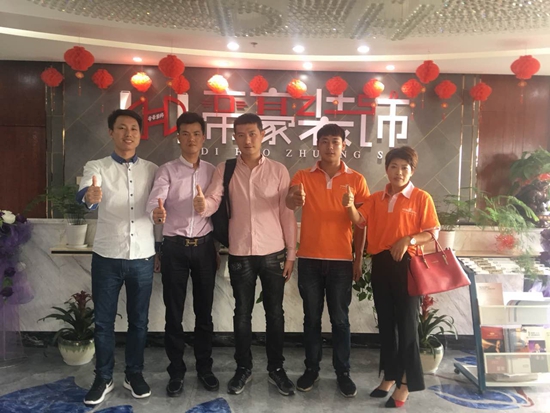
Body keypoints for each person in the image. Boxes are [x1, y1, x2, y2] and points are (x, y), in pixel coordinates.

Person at [193, 113, 297, 396]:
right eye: (241, 135)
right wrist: (202, 205)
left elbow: (287, 214)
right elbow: (213, 199)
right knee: (242, 313)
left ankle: (276, 369)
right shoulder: (225, 169)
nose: (247, 140)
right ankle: (243, 368)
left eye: (252, 133)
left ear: (262, 134)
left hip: (273, 253)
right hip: (240, 253)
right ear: (235, 138)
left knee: (275, 313)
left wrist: (291, 254)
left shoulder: (278, 170)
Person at [343, 146, 440, 408]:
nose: (399, 172)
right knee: (386, 324)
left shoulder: (421, 198)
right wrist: (350, 206)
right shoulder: (377, 198)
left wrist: (408, 239)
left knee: (407, 326)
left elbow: (432, 232)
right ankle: (390, 375)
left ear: (412, 171)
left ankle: (405, 383)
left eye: (404, 168)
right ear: (386, 169)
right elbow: (359, 221)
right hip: (381, 264)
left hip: (407, 264)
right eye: (394, 167)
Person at [77, 109, 158, 406]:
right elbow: (86, 193)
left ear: (140, 134)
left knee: (139, 322)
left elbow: (159, 205)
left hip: (143, 257)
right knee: (103, 322)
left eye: (134, 128)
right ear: (111, 132)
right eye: (122, 128)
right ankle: (104, 377)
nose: (128, 133)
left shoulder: (152, 169)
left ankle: (133, 374)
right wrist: (90, 198)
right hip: (107, 256)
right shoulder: (96, 166)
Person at [285, 123, 370, 397]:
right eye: (324, 141)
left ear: (344, 145)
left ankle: (343, 372)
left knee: (340, 320)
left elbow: (362, 223)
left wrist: (358, 258)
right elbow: (289, 203)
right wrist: (293, 197)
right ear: (317, 145)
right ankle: (311, 369)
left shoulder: (357, 179)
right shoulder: (302, 175)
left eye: (335, 141)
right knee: (311, 318)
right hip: (309, 259)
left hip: (341, 262)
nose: (330, 146)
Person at [146, 112, 219, 397]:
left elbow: (217, 204)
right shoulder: (167, 170)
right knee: (173, 313)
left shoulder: (213, 171)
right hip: (174, 247)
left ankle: (204, 368)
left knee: (204, 312)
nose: (191, 139)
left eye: (196, 133)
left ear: (203, 137)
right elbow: (156, 199)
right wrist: (156, 211)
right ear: (178, 137)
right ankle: (176, 371)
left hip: (204, 247)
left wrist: (206, 207)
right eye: (185, 134)